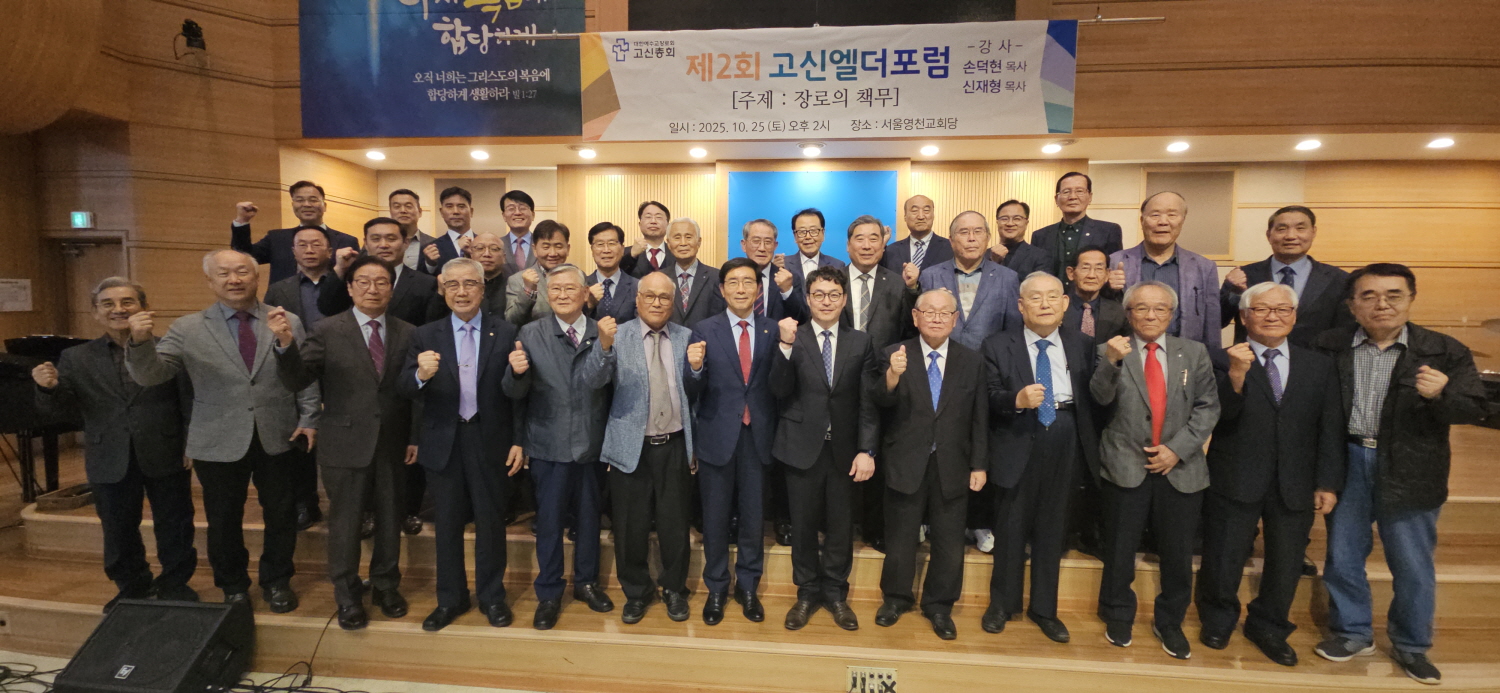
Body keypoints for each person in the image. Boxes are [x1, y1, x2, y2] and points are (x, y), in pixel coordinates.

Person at [1313, 263, 1487, 684]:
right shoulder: (1329, 345)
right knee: (1343, 555)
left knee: (1411, 563)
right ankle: (1353, 632)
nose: (1382, 304)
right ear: (1352, 305)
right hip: (1348, 459)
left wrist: (1442, 394)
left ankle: (1411, 645)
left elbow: (1474, 408)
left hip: (1412, 465)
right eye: (1369, 296)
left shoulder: (1443, 350)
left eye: (1393, 295)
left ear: (1411, 299)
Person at [125, 249, 320, 613]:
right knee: (223, 518)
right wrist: (139, 342)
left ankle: (277, 581)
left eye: (242, 271)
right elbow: (151, 375)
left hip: (278, 433)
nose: (234, 279)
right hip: (217, 437)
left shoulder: (285, 318)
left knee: (281, 515)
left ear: (256, 277)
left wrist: (309, 417)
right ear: (210, 281)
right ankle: (233, 585)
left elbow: (303, 374)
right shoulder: (188, 327)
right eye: (224, 273)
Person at [1194, 282, 1344, 666]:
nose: (1272, 316)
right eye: (1261, 309)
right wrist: (1236, 376)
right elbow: (1217, 417)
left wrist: (1327, 481)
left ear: (1294, 316)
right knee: (1224, 554)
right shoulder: (1221, 359)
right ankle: (1218, 618)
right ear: (1244, 317)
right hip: (1235, 473)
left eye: (1281, 309)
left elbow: (1330, 427)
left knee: (1286, 560)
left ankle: (1270, 626)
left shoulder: (1319, 365)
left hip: (1296, 479)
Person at [33, 277, 197, 612]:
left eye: (127, 302)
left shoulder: (170, 348)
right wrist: (47, 389)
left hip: (165, 449)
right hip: (107, 453)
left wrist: (190, 444)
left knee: (175, 523)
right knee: (118, 527)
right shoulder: (76, 357)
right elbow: (63, 411)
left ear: (144, 308)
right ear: (95, 313)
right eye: (107, 304)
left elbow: (187, 401)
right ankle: (132, 585)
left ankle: (175, 583)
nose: (118, 310)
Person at [271, 256, 418, 631]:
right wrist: (285, 345)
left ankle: (386, 586)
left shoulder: (408, 331)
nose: (373, 289)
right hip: (344, 442)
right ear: (350, 288)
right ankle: (348, 595)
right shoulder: (326, 329)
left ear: (392, 289)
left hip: (393, 441)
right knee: (346, 524)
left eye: (381, 282)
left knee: (390, 520)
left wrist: (414, 437)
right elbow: (298, 378)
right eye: (363, 282)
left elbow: (414, 392)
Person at [1089, 281, 1219, 659]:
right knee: (1119, 549)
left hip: (1180, 467)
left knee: (1177, 554)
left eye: (1160, 308)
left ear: (1171, 314)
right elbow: (1099, 398)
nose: (1151, 315)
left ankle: (1170, 621)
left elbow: (1208, 406)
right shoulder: (1109, 349)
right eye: (1141, 308)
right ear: (1128, 314)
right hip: (1124, 464)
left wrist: (1177, 450)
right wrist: (1111, 362)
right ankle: (1117, 613)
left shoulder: (1193, 352)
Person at [399, 257, 526, 632]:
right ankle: (450, 599)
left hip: (490, 440)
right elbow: (404, 387)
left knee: (491, 524)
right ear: (442, 290)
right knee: (447, 526)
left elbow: (518, 394)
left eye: (469, 283)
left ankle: (492, 597)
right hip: (443, 440)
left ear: (482, 289)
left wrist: (519, 440)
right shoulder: (425, 335)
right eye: (452, 285)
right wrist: (420, 375)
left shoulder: (506, 331)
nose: (461, 291)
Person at [979, 271, 1097, 644]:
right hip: (1017, 434)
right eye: (1035, 297)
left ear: (1065, 304)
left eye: (1052, 297)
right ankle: (1003, 604)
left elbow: (1096, 397)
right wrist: (1015, 400)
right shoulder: (998, 344)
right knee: (1010, 525)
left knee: (1053, 527)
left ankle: (1045, 609)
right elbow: (987, 395)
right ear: (1020, 305)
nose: (1044, 304)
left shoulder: (1084, 344)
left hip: (1065, 433)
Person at [499, 264, 619, 629]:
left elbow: (610, 388)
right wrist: (515, 372)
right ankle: (549, 593)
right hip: (547, 443)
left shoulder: (602, 332)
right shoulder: (530, 332)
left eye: (570, 289)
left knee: (588, 520)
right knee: (549, 524)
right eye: (555, 290)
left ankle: (586, 583)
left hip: (591, 444)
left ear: (585, 294)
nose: (562, 295)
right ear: (546, 295)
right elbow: (514, 394)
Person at [870, 290, 989, 641]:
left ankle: (939, 605)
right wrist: (892, 376)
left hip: (954, 462)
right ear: (915, 317)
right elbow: (878, 403)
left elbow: (980, 417)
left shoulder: (972, 360)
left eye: (944, 313)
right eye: (929, 312)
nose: (936, 318)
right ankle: (896, 598)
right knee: (900, 537)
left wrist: (979, 464)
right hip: (905, 460)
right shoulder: (894, 354)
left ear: (955, 319)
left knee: (949, 542)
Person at [768, 266, 877, 631]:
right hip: (801, 447)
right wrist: (784, 347)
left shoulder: (860, 342)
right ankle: (806, 593)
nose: (826, 301)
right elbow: (778, 390)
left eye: (833, 295)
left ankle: (835, 593)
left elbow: (868, 402)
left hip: (845, 451)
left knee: (841, 526)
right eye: (818, 294)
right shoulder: (791, 337)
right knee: (802, 526)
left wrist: (867, 449)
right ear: (808, 299)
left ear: (844, 300)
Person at [601, 272, 702, 624]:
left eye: (664, 297)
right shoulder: (618, 335)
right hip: (631, 447)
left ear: (673, 303)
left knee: (675, 525)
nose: (657, 303)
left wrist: (697, 369)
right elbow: (594, 381)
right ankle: (637, 591)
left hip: (674, 444)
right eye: (650, 296)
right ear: (637, 299)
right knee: (630, 527)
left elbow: (696, 389)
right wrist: (603, 348)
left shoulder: (686, 337)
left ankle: (674, 589)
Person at [687, 257, 779, 625]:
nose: (741, 289)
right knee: (715, 518)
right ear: (722, 289)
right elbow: (691, 387)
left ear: (758, 289)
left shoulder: (773, 330)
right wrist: (694, 368)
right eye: (734, 282)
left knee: (754, 519)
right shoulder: (703, 329)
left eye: (748, 282)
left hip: (758, 437)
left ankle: (748, 587)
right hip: (716, 437)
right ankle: (716, 588)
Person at [840, 215, 918, 551]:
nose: (867, 245)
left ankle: (875, 527)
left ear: (883, 245)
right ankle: (841, 525)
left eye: (874, 238)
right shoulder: (832, 279)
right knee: (840, 453)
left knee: (880, 456)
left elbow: (908, 331)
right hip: (838, 380)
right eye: (860, 238)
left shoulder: (897, 284)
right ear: (848, 245)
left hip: (883, 379)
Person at [264, 226, 335, 531]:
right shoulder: (279, 289)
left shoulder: (344, 283)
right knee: (303, 437)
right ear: (293, 252)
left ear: (329, 251)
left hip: (338, 368)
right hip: (298, 368)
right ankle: (306, 502)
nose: (309, 250)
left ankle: (345, 502)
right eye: (302, 245)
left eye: (316, 244)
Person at [1221, 205, 1353, 346]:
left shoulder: (1339, 279)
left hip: (1317, 357)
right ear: (1269, 235)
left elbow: (1346, 329)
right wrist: (1233, 291)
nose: (1290, 236)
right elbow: (1219, 321)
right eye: (1282, 229)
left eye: (1300, 228)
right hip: (1252, 357)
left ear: (1313, 232)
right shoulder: (1244, 275)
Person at [1108, 192, 1222, 350]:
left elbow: (1212, 324)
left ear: (1183, 220)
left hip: (1185, 354)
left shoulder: (1204, 267)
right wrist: (1108, 289)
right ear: (1142, 221)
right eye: (1155, 215)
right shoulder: (1114, 261)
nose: (1163, 222)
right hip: (1129, 353)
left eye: (1172, 215)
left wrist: (1213, 359)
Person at [918, 211, 1021, 350]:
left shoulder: (1007, 278)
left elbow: (1013, 330)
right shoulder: (931, 276)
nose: (971, 238)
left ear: (988, 237)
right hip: (942, 359)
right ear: (951, 240)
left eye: (978, 232)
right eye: (964, 232)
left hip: (989, 360)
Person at [321, 218, 447, 332]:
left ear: (406, 243)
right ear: (366, 243)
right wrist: (340, 269)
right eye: (376, 239)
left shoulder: (426, 283)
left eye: (391, 239)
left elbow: (432, 327)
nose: (383, 245)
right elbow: (327, 308)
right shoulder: (352, 279)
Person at [230, 181, 359, 283]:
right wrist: (242, 221)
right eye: (300, 200)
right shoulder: (276, 239)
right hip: (283, 306)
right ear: (293, 206)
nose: (307, 204)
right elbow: (243, 256)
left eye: (313, 200)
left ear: (324, 206)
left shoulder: (346, 241)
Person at [1030, 172, 1123, 288]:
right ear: (1056, 199)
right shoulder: (1040, 236)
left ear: (1090, 197)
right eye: (1066, 192)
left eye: (1079, 191)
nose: (1073, 197)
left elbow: (1112, 272)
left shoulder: (1109, 231)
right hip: (1052, 297)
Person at [740, 219, 810, 322]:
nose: (762, 248)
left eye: (768, 242)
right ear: (744, 245)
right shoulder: (731, 277)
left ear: (775, 246)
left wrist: (787, 291)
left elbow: (801, 319)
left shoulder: (791, 278)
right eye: (756, 241)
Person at [505, 220, 571, 325]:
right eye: (546, 247)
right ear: (534, 249)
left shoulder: (578, 277)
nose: (552, 253)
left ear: (568, 249)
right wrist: (528, 291)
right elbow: (511, 320)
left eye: (558, 246)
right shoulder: (517, 280)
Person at [1062, 246, 1129, 349]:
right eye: (1085, 268)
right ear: (1071, 273)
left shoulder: (1119, 312)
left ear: (1107, 274)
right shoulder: (1057, 308)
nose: (1092, 275)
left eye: (1099, 269)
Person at [666, 217, 724, 327]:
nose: (683, 243)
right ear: (668, 243)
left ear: (699, 241)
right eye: (677, 238)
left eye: (688, 237)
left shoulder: (717, 277)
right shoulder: (660, 278)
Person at [880, 195, 953, 273]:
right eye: (914, 211)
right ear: (905, 216)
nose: (921, 216)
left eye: (926, 210)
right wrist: (882, 243)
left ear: (933, 215)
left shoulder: (950, 248)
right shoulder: (891, 251)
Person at [585, 221, 638, 323]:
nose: (606, 250)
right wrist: (589, 304)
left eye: (612, 244)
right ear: (592, 250)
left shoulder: (637, 286)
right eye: (600, 244)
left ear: (622, 249)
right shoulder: (582, 286)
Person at [419, 187, 477, 275]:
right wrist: (430, 264)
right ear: (441, 212)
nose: (456, 211)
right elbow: (421, 279)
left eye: (461, 206)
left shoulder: (484, 244)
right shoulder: (430, 249)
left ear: (471, 211)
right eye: (449, 206)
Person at [989, 200, 1050, 278]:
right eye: (1004, 219)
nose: (1010, 223)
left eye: (1017, 219)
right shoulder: (984, 255)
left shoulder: (1039, 256)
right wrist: (993, 263)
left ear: (1026, 223)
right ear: (997, 222)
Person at [786, 208, 846, 286]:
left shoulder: (837, 266)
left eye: (813, 231)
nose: (808, 237)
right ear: (795, 236)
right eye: (802, 232)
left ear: (823, 234)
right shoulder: (784, 265)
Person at [620, 201, 675, 277]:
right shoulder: (623, 253)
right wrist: (631, 256)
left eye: (658, 217)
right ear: (640, 224)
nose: (653, 221)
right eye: (648, 217)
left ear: (668, 225)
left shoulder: (676, 253)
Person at [466, 232, 513, 315]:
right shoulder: (463, 286)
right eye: (480, 248)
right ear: (471, 256)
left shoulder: (514, 285)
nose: (486, 254)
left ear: (504, 257)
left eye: (494, 249)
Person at [497, 190, 540, 276]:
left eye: (523, 208)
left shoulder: (542, 244)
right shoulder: (497, 245)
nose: (517, 213)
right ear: (504, 216)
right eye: (511, 209)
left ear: (533, 215)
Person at [386, 189, 425, 271]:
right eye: (397, 206)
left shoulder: (433, 243)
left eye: (408, 206)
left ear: (420, 212)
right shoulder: (376, 243)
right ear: (390, 211)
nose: (403, 211)